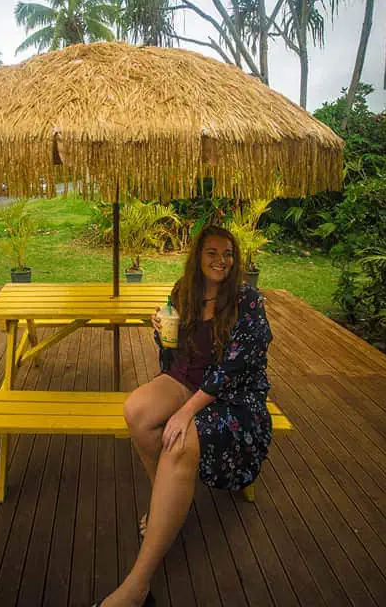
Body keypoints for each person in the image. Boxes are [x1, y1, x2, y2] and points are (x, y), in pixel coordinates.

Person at [92, 225, 273, 607]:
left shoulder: (248, 299)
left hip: (232, 397)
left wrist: (186, 413)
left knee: (178, 440)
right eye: (212, 253)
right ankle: (168, 502)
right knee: (136, 411)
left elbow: (237, 366)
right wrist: (160, 331)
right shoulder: (183, 291)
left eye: (228, 254)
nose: (221, 261)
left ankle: (136, 588)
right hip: (186, 379)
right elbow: (174, 350)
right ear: (198, 257)